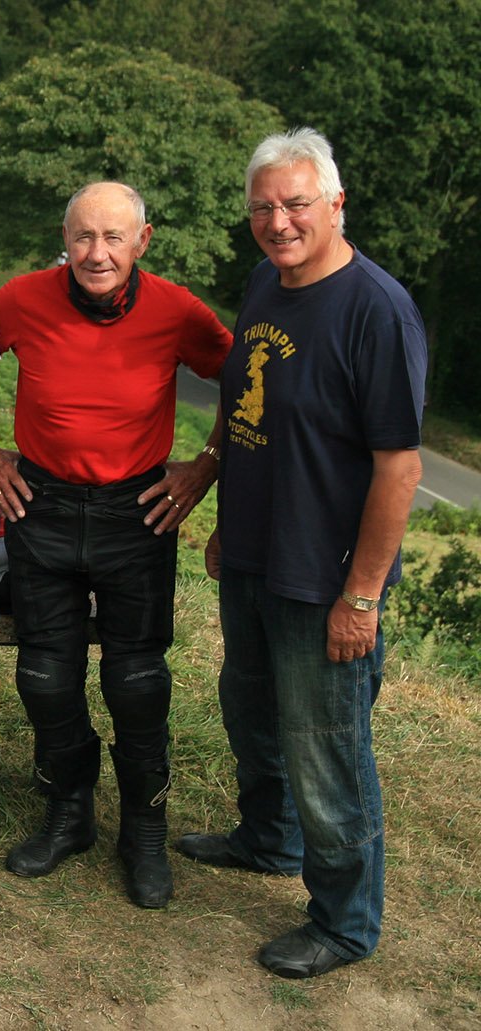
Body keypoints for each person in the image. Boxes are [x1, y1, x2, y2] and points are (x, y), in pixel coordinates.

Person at [178, 127, 425, 978]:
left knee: (326, 750)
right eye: (263, 208)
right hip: (254, 551)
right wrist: (221, 498)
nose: (278, 221)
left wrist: (361, 595)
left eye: (296, 204)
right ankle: (269, 838)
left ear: (336, 203)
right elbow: (246, 399)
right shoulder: (265, 283)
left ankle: (346, 922)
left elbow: (400, 467)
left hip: (325, 575)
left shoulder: (376, 310)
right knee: (250, 711)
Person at [0, 181, 231, 907]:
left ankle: (144, 830)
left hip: (135, 514)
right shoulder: (24, 297)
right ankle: (68, 812)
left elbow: (247, 379)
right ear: (65, 238)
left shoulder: (177, 310)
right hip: (41, 506)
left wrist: (204, 466)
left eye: (114, 237)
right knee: (43, 676)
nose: (97, 252)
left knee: (136, 684)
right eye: (83, 236)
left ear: (143, 241)